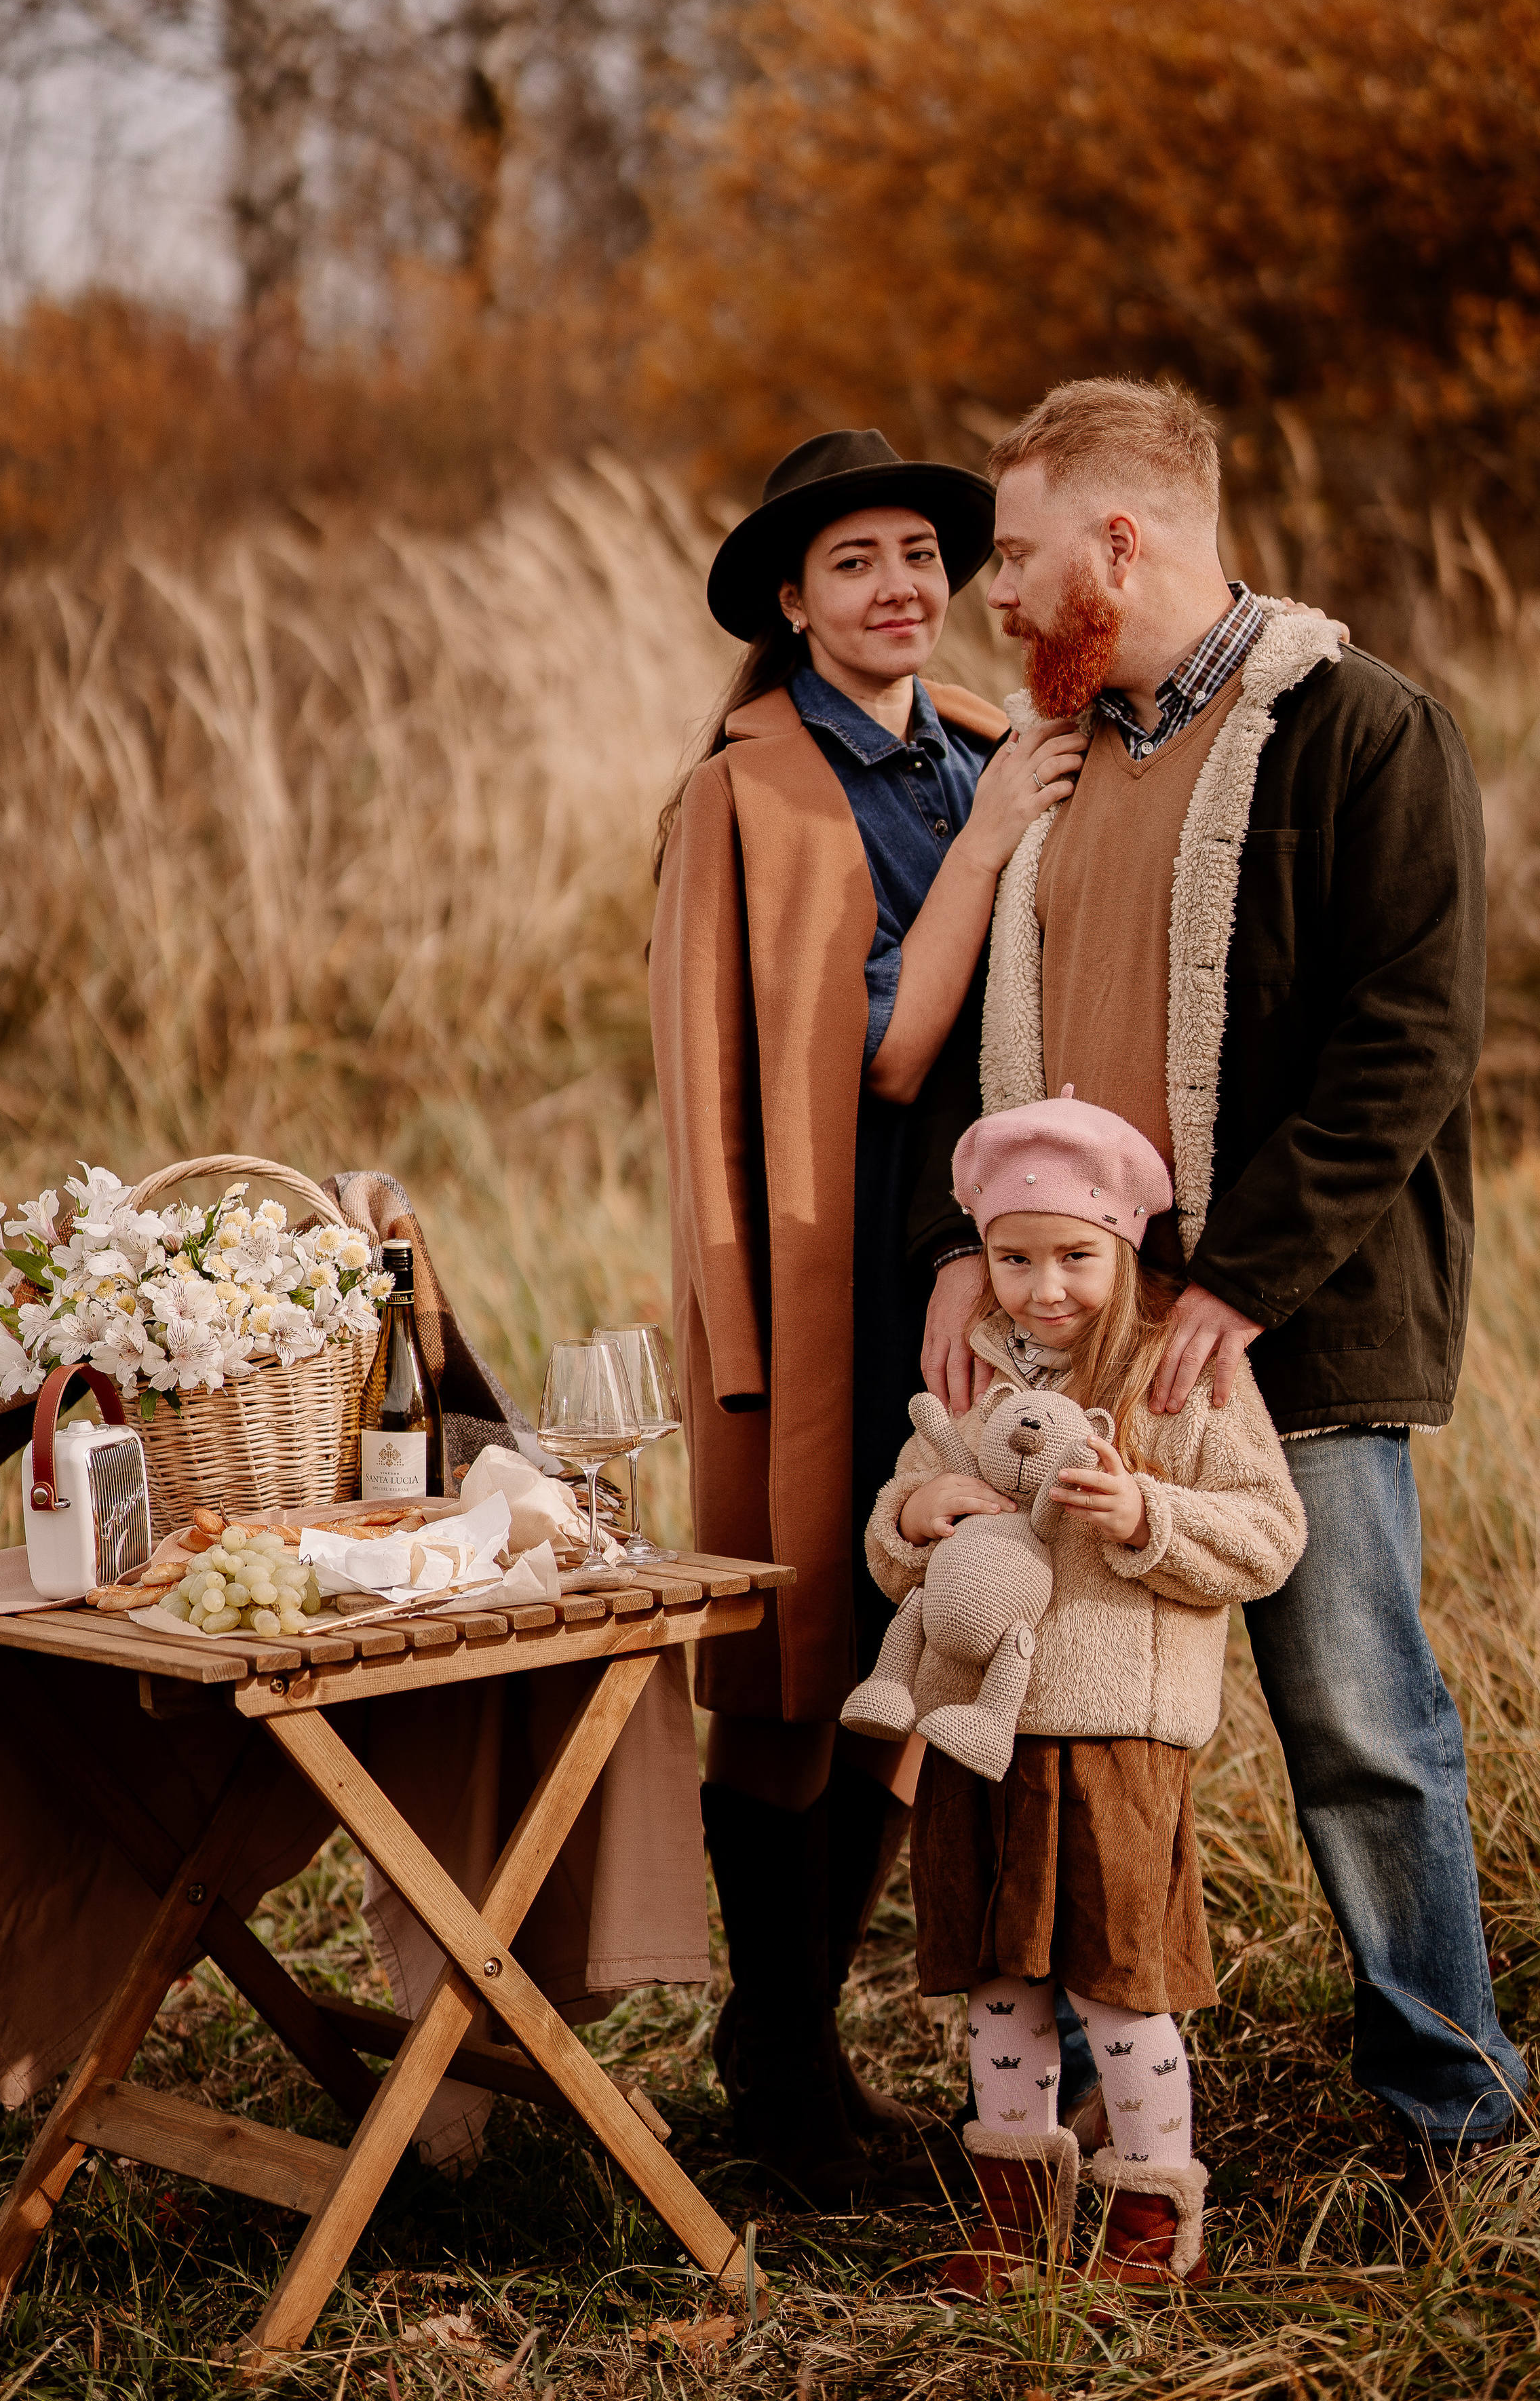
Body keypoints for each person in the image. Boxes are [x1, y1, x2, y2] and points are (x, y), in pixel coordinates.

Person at [912, 374, 1529, 2185]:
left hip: (1285, 1331)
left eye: (1018, 556)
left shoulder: (1361, 730)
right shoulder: (1063, 760)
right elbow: (1019, 1082)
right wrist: (972, 1243)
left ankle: (1455, 2116)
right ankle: (1099, 2096)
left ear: (1127, 538)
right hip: (1071, 1347)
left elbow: (1414, 1042)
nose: (994, 597)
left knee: (1357, 1724)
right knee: (1074, 1723)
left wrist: (1234, 1282)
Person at [649, 429, 1084, 2201]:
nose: (901, 586)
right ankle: (780, 2059)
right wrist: (984, 849)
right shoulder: (746, 792)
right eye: (856, 563)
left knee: (926, 1647)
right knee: (804, 1667)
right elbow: (884, 1049)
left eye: (921, 553)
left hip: (979, 1276)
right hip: (824, 1288)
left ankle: (788, 2047)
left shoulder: (980, 743)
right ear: (789, 598)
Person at [862, 1094, 1305, 2288]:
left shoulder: (1178, 1369)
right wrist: (913, 1515)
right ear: (983, 1253)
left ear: (1124, 1247)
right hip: (979, 1734)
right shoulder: (977, 1374)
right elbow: (896, 1524)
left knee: (1119, 1985)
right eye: (1013, 1257)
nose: (1043, 1287)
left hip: (1116, 1734)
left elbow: (1269, 1533)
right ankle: (1014, 2222)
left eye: (1075, 1257)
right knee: (1001, 1986)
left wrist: (1150, 1514)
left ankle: (1153, 2231)